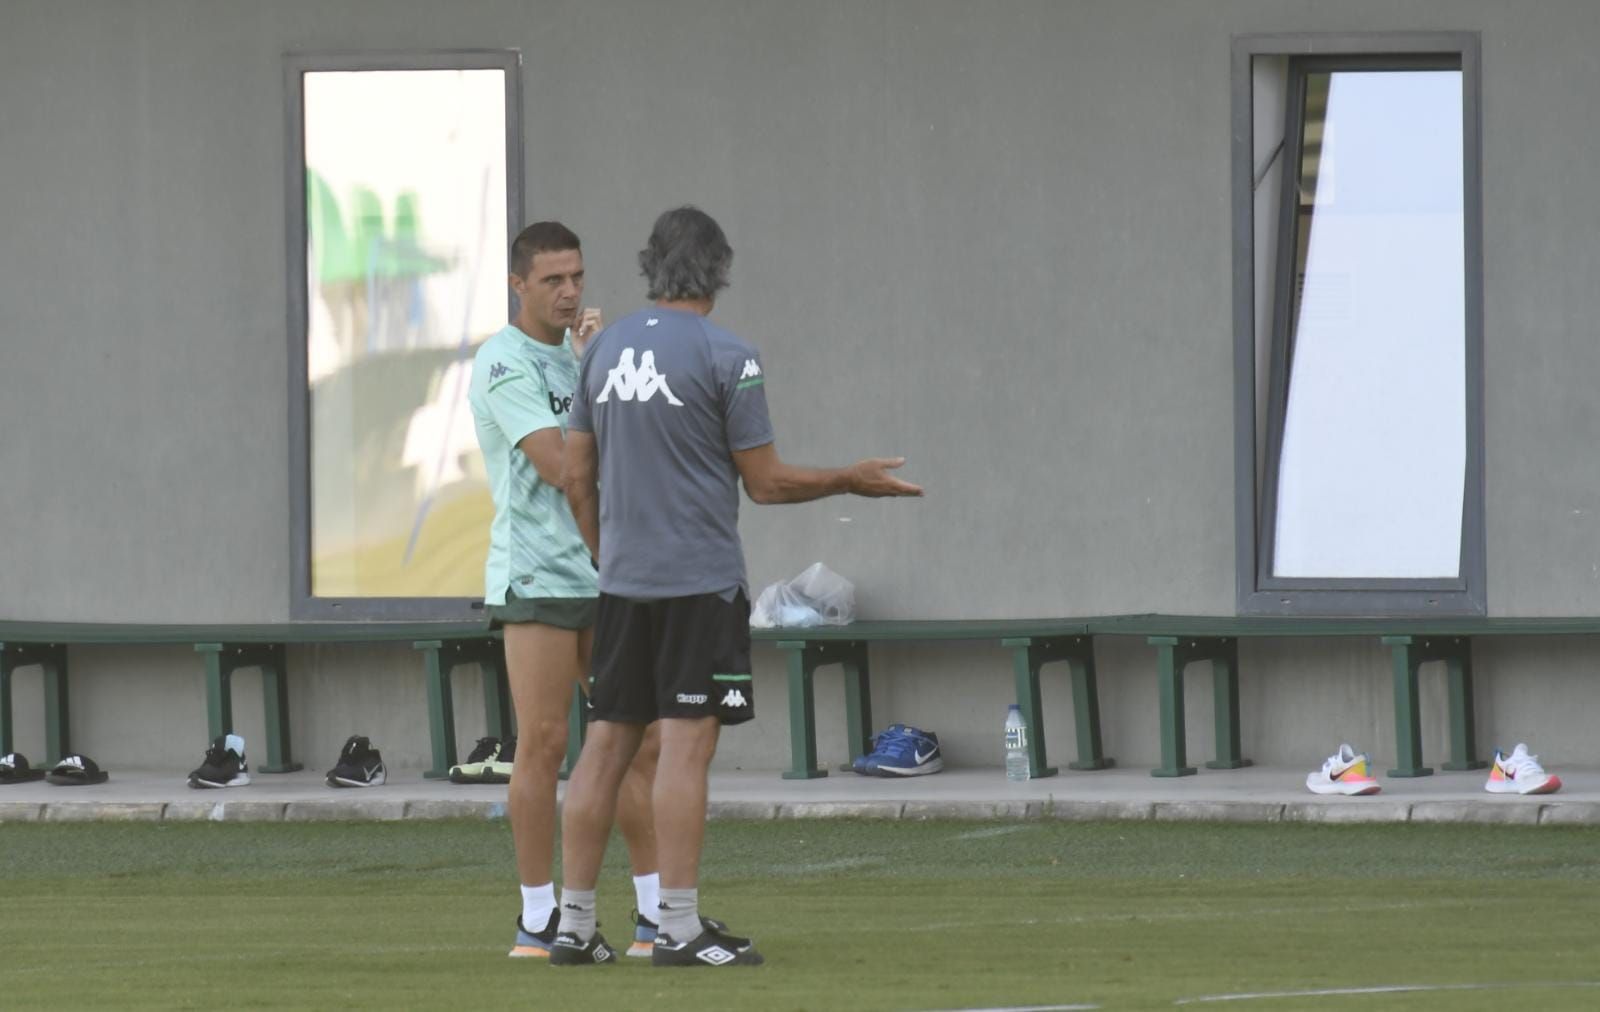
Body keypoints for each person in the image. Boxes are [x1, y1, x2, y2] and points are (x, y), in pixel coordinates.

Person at [550, 206, 923, 967]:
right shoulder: (731, 355)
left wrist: (607, 558)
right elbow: (769, 485)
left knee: (603, 749)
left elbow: (577, 480)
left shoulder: (601, 351)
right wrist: (850, 479)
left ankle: (574, 927)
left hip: (623, 588)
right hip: (698, 589)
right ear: (718, 272)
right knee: (684, 754)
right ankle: (677, 928)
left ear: (650, 264)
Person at [467, 221, 664, 959]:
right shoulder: (502, 362)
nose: (569, 291)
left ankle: (655, 915)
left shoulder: (593, 357)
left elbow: (640, 448)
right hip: (539, 576)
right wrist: (594, 384)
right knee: (544, 744)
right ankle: (538, 919)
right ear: (518, 284)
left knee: (633, 748)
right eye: (552, 279)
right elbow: (561, 465)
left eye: (576, 276)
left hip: (608, 573)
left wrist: (596, 366)